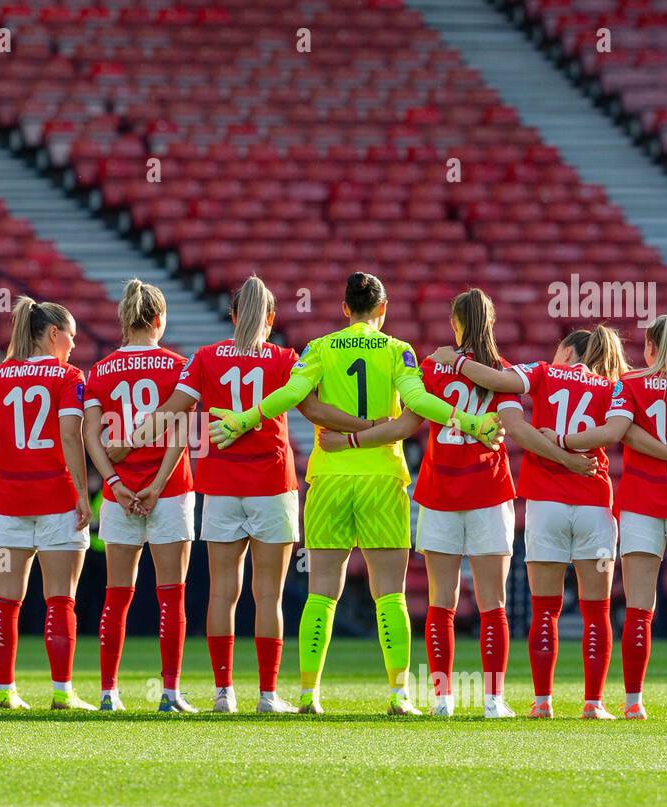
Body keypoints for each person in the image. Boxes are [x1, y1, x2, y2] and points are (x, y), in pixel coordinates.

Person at [210, 273, 504, 715]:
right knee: (390, 593)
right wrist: (470, 421)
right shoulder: (397, 350)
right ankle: (399, 694)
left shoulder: (320, 348)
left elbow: (291, 393)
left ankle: (309, 693)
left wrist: (243, 419)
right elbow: (419, 403)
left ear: (345, 309)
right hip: (382, 477)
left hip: (328, 477)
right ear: (382, 311)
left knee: (321, 591)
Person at [130, 275, 372, 714]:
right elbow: (314, 409)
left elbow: (171, 411)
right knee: (269, 595)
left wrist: (124, 444)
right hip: (271, 485)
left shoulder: (206, 358)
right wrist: (366, 427)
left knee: (222, 591)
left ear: (233, 314)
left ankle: (224, 694)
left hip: (221, 486)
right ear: (271, 318)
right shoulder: (284, 359)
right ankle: (266, 695)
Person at [432, 323, 667, 718]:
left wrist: (457, 360)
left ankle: (542, 702)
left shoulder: (541, 371)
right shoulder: (614, 387)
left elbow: (498, 378)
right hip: (593, 501)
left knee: (544, 609)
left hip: (545, 502)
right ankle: (593, 703)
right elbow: (625, 433)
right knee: (596, 609)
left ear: (569, 353)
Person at [325, 289, 539, 716]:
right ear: (491, 323)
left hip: (440, 492)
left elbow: (405, 425)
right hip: (489, 491)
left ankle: (442, 698)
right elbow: (512, 426)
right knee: (492, 603)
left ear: (455, 323)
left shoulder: (433, 367)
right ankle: (494, 700)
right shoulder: (501, 372)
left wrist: (352, 438)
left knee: (442, 600)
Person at [557, 310, 667, 719]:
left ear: (649, 348)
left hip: (640, 502)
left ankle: (634, 703)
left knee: (638, 607)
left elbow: (622, 431)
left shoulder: (629, 384)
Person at [0, 296, 93, 710]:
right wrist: (80, 493)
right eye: (71, 336)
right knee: (60, 598)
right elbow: (71, 437)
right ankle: (62, 692)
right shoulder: (67, 375)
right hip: (56, 499)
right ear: (54, 334)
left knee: (5, 600)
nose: (73, 346)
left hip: (9, 502)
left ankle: (6, 691)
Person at [83, 278, 195, 712]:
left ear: (124, 321)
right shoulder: (178, 365)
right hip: (168, 491)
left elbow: (92, 436)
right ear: (159, 319)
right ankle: (170, 693)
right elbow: (182, 432)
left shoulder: (101, 370)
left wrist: (114, 483)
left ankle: (109, 692)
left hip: (119, 492)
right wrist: (158, 485)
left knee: (116, 595)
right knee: (172, 593)